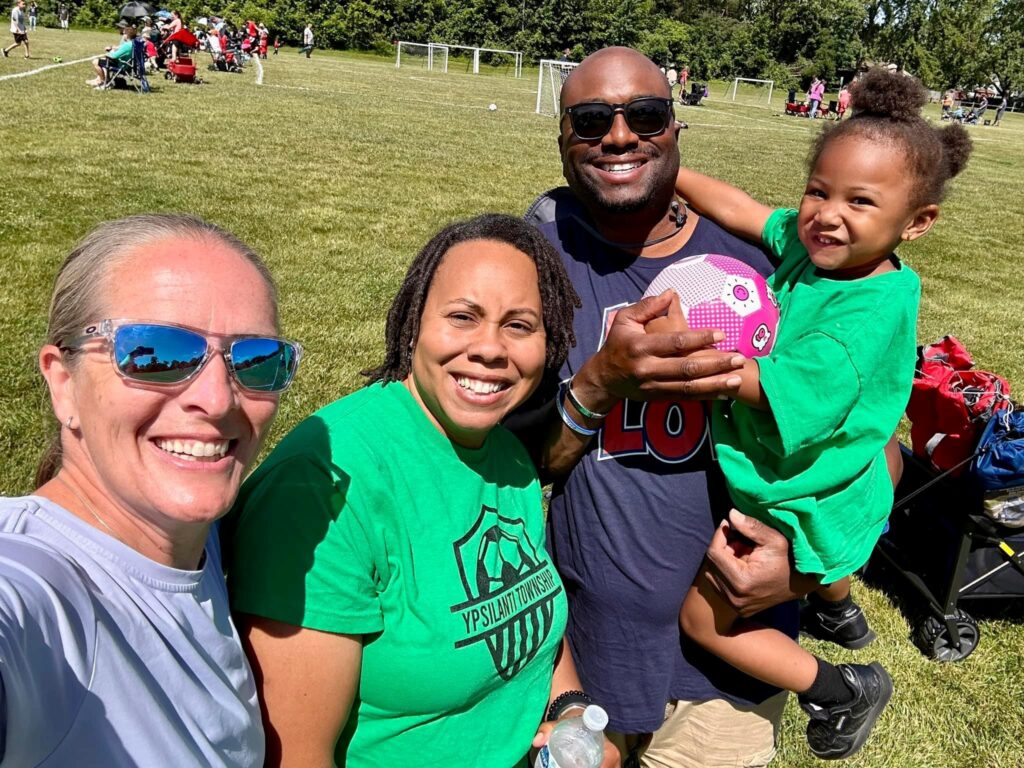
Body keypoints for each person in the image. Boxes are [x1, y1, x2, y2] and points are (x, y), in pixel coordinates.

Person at [225, 214, 618, 767]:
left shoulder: (504, 451)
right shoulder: (324, 485)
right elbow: (294, 754)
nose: (490, 349)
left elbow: (528, 607)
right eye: (462, 317)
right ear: (415, 322)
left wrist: (574, 711)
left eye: (519, 325)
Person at [514, 46, 806, 768]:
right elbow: (508, 462)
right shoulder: (535, 259)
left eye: (644, 115)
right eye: (590, 121)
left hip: (727, 667)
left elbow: (874, 447)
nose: (618, 136)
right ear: (562, 140)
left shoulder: (765, 262)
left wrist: (802, 566)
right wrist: (598, 382)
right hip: (578, 657)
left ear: (676, 130)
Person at [672, 68, 973, 760]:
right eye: (818, 191)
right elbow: (744, 210)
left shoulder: (859, 322)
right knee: (827, 559)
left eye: (859, 202)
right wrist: (673, 174)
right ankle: (838, 610)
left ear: (917, 223)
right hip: (820, 469)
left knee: (702, 618)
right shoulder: (821, 255)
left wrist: (680, 358)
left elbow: (773, 385)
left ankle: (841, 688)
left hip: (800, 493)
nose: (826, 214)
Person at [0, 213, 302, 766]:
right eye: (155, 354)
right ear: (62, 382)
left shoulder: (190, 536)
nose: (217, 400)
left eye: (255, 361)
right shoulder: (35, 594)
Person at [85, 24, 136, 88]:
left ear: (127, 35)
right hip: (127, 65)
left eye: (124, 34)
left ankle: (103, 82)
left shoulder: (127, 45)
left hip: (122, 66)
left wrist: (107, 54)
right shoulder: (132, 43)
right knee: (104, 60)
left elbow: (113, 56)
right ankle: (106, 80)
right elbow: (120, 50)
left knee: (95, 61)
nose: (123, 36)